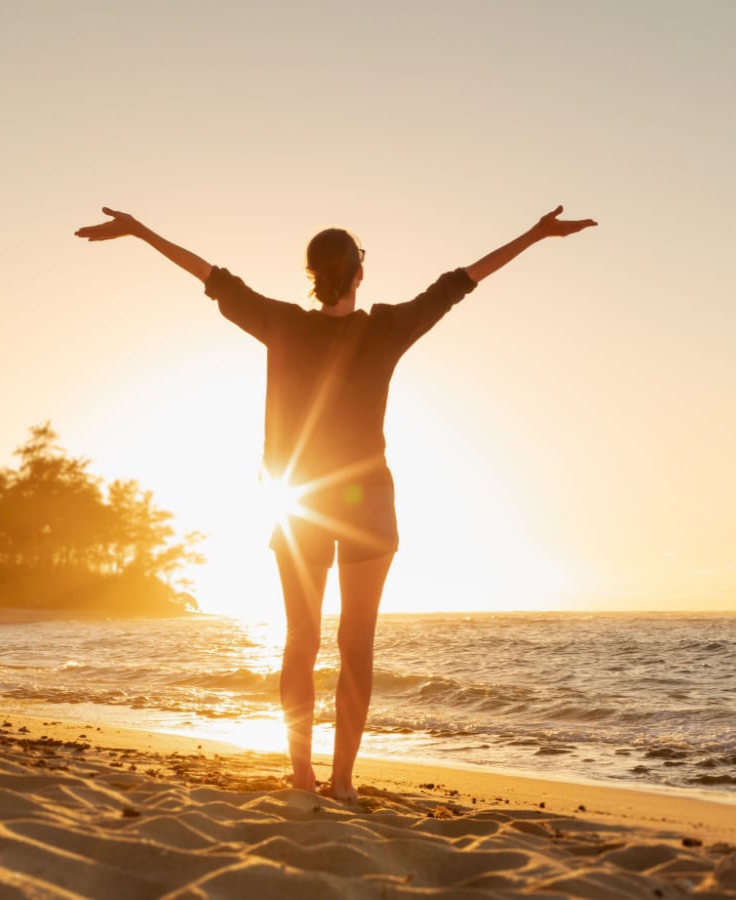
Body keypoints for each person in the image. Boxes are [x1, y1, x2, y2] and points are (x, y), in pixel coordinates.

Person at [75, 205, 596, 798]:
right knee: (357, 645)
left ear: (312, 274)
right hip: (367, 500)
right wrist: (534, 233)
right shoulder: (384, 327)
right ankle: (342, 782)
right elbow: (461, 283)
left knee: (300, 640)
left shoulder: (284, 324)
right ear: (359, 275)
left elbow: (211, 276)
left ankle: (302, 775)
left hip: (300, 503)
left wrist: (141, 231)